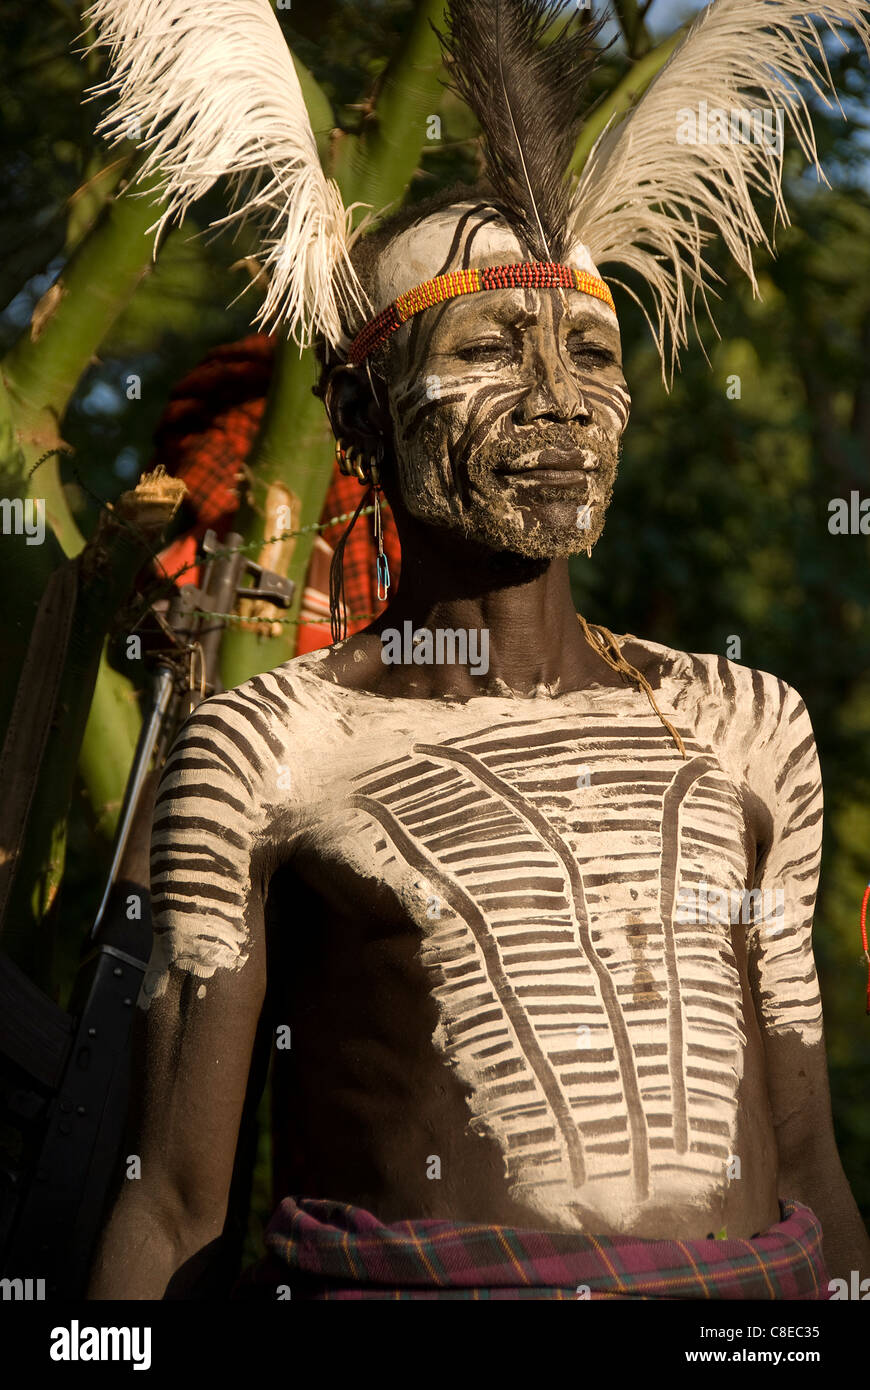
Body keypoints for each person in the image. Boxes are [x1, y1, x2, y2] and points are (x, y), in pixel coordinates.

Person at [85, 0, 870, 1298]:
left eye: (593, 354)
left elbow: (808, 1169)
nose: (559, 398)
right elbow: (170, 1202)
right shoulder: (267, 742)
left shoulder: (746, 720)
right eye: (492, 349)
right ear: (359, 411)